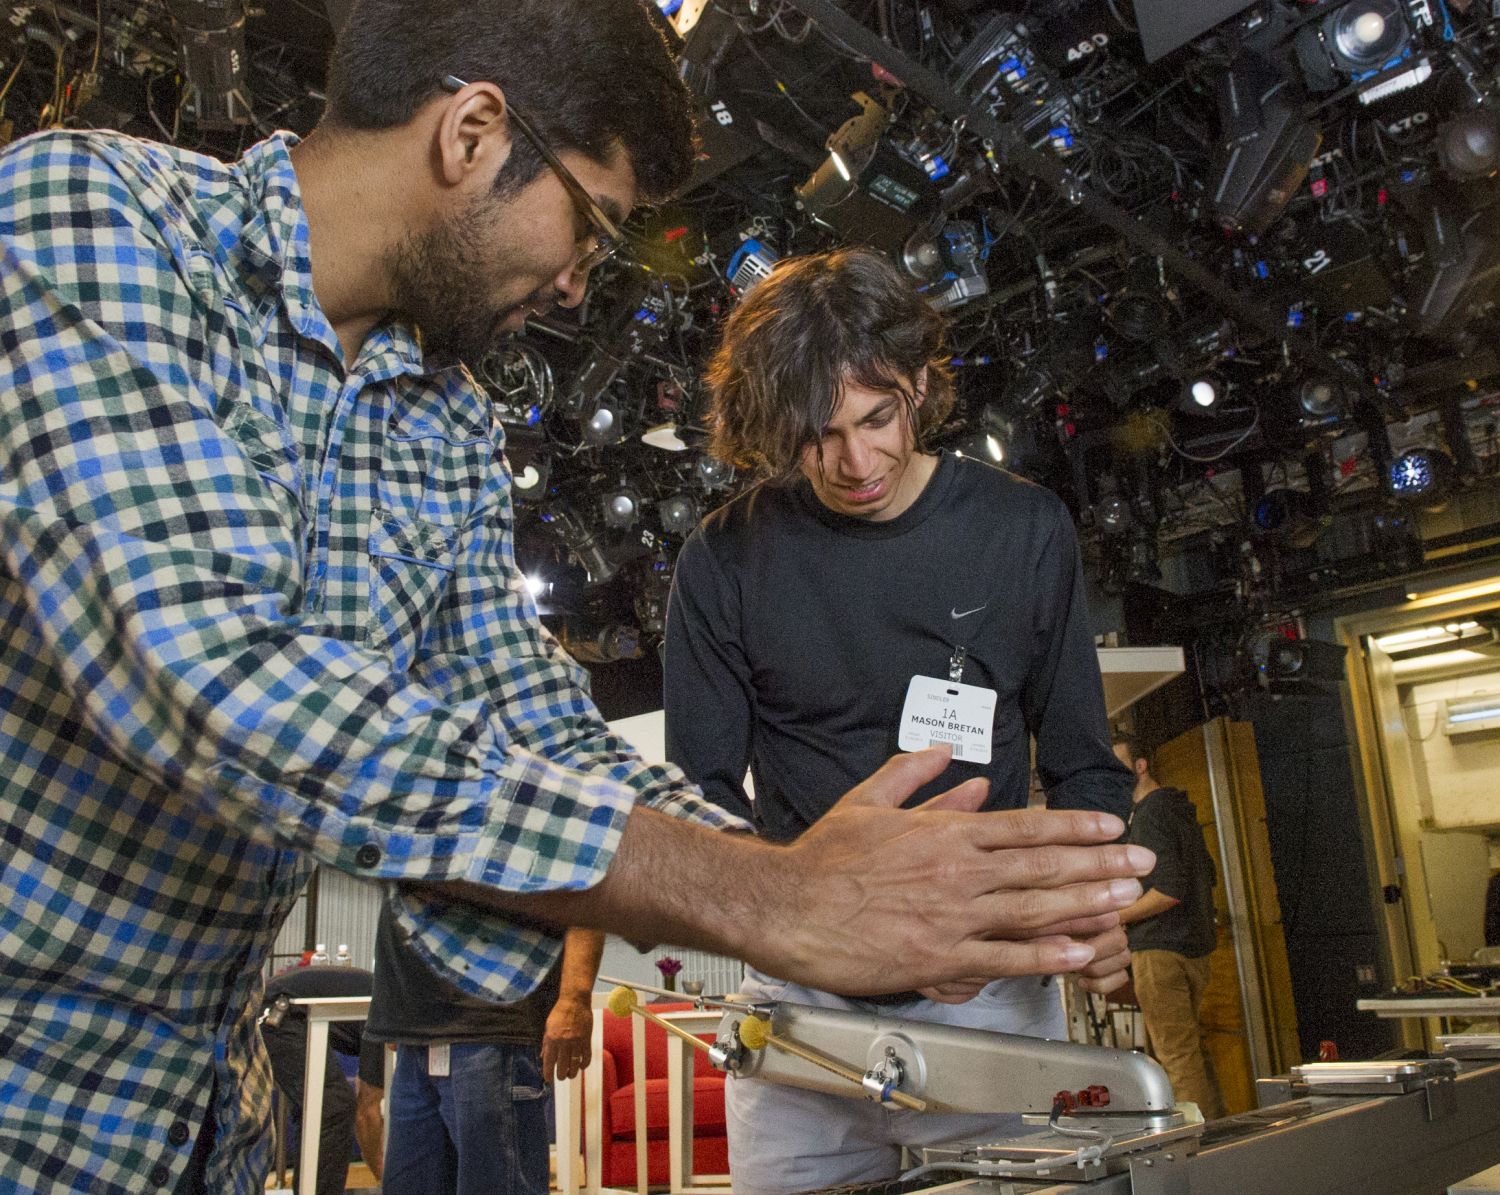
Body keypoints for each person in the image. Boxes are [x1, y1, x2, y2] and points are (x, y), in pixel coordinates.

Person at [0, 3, 1153, 1192]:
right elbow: (214, 675)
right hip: (33, 1095)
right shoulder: (95, 216)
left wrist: (830, 893)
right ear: (473, 131)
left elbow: (532, 720)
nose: (573, 285)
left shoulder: (442, 419)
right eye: (590, 224)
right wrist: (771, 893)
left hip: (204, 1111)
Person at [663, 247, 1140, 1195]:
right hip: (804, 1006)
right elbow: (701, 799)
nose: (856, 462)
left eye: (877, 418)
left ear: (920, 383)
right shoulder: (722, 560)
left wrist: (1087, 905)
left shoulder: (1023, 529)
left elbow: (1085, 764)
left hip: (990, 992)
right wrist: (805, 924)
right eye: (818, 435)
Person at [367, 907, 603, 1195]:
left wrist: (574, 998)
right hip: (417, 1032)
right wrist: (397, 1007)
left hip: (491, 1028)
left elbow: (587, 888)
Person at [1112, 733, 1225, 1121]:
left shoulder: (1150, 814)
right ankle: (1218, 1126)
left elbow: (1168, 890)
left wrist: (1116, 917)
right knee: (1192, 1049)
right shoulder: (1179, 809)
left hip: (1159, 950)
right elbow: (1207, 874)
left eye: (1119, 765)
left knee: (1175, 1055)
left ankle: (1198, 1139)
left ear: (1140, 766)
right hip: (1196, 948)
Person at [260, 964, 386, 1195]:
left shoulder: (387, 1003)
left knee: (321, 1109)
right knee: (332, 1107)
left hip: (284, 1006)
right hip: (277, 1012)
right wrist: (384, 1177)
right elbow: (365, 1114)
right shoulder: (388, 1016)